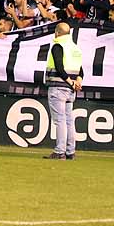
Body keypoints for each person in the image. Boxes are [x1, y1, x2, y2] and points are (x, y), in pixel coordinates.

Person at [44, 20, 83, 160]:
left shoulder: (58, 46)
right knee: (69, 120)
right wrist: (77, 83)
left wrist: (71, 82)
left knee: (60, 120)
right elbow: (81, 71)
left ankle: (60, 151)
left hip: (58, 87)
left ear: (57, 32)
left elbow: (59, 69)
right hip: (70, 90)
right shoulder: (75, 48)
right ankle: (70, 151)